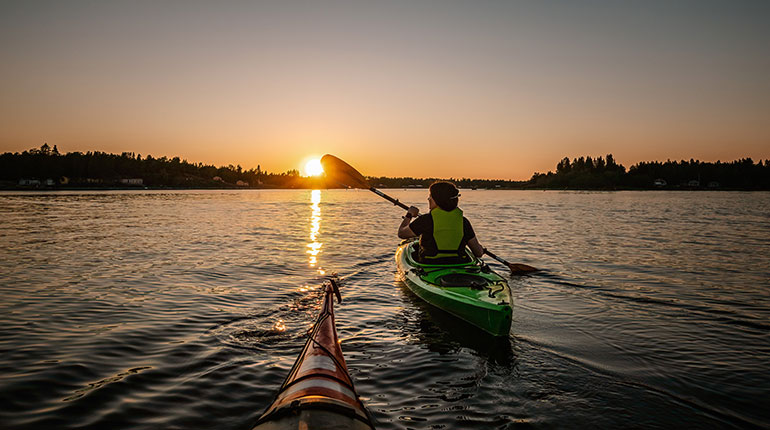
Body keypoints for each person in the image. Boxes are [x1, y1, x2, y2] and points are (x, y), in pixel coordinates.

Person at [398, 181, 484, 263]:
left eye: (430, 196)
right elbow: (478, 253)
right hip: (458, 263)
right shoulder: (463, 222)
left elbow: (402, 233)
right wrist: (481, 248)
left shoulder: (426, 220)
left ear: (437, 200)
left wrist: (409, 215)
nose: (428, 199)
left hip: (430, 264)